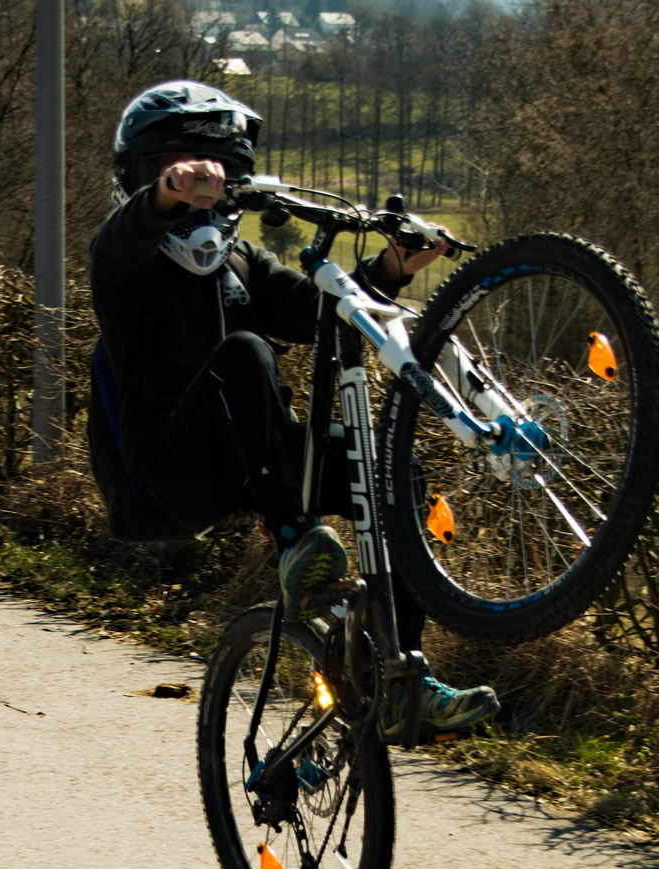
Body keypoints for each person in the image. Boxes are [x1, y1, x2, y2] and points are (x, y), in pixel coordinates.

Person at [88, 80, 498, 741]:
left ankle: (393, 679)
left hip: (253, 468)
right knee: (244, 353)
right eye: (172, 170)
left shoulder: (242, 265)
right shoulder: (126, 271)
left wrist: (391, 270)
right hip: (163, 475)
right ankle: (296, 552)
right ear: (140, 178)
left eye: (211, 175)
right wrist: (166, 195)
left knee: (396, 477)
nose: (198, 189)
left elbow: (325, 312)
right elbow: (116, 243)